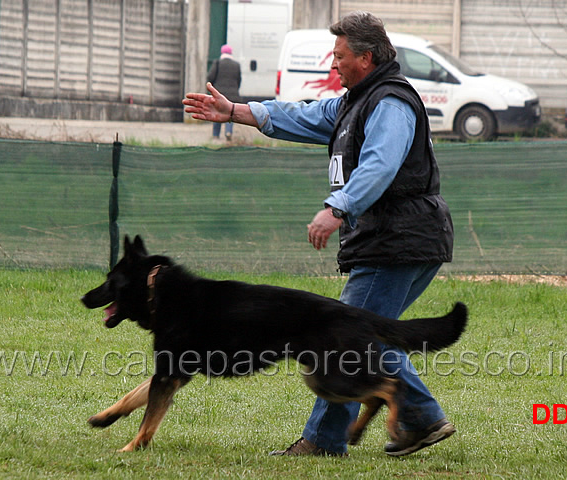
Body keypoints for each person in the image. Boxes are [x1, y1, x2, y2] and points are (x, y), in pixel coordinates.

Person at [183, 11, 455, 458]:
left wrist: (338, 208)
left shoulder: (389, 103)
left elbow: (381, 166)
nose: (334, 64)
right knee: (365, 336)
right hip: (398, 237)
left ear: (366, 58)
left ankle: (326, 441)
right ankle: (423, 419)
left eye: (340, 55)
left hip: (399, 238)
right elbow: (303, 116)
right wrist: (235, 111)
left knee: (341, 338)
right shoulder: (353, 101)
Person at [206, 44, 242, 141]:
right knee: (230, 113)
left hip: (219, 93)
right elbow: (239, 80)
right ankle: (228, 132)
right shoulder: (236, 65)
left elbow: (210, 77)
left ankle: (215, 135)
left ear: (222, 53)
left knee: (218, 113)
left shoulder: (217, 63)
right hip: (233, 94)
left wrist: (212, 89)